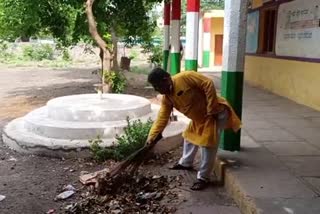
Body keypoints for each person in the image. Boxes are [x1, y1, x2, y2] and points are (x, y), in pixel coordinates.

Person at [146, 67, 241, 191]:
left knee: (208, 146)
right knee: (189, 137)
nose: (156, 90)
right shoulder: (167, 98)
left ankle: (203, 178)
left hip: (215, 115)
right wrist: (152, 137)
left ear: (166, 79)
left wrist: (211, 107)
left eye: (157, 86)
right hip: (199, 119)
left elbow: (207, 83)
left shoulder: (186, 77)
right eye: (154, 87)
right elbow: (162, 118)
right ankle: (185, 163)